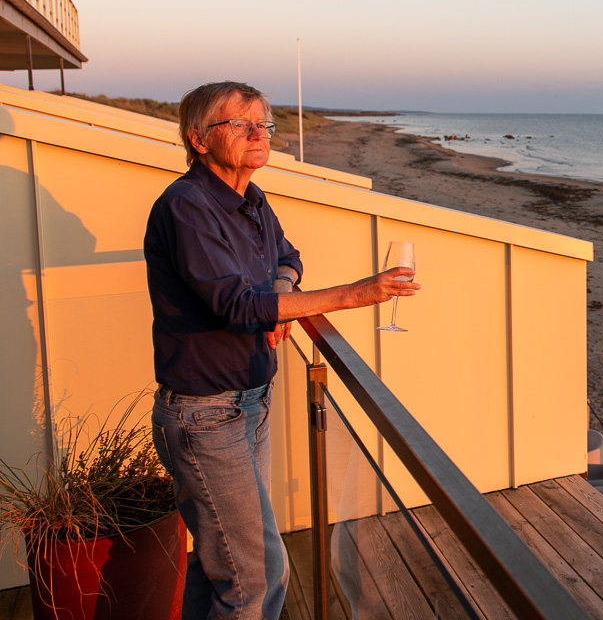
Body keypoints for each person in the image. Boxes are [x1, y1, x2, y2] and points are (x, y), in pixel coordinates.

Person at [145, 82, 421, 620]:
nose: (258, 133)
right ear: (197, 139)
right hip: (206, 415)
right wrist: (358, 293)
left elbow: (287, 257)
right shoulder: (186, 207)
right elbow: (236, 305)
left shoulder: (250, 199)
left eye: (264, 123)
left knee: (219, 565)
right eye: (240, 124)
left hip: (251, 401)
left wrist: (284, 291)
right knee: (258, 576)